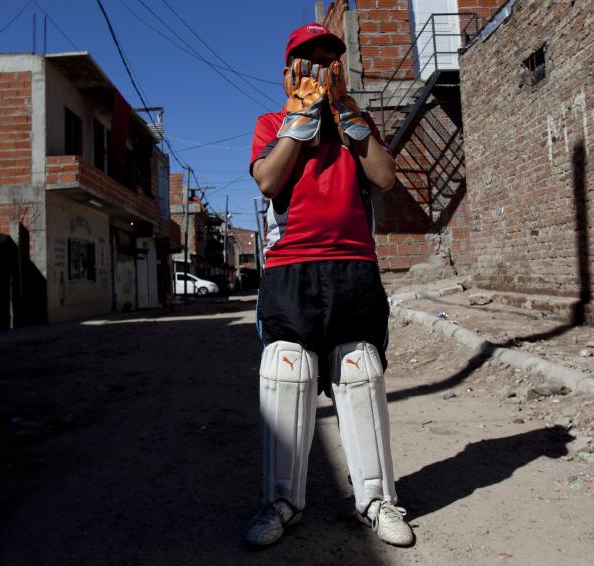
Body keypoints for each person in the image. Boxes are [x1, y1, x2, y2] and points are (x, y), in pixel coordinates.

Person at [246, 22, 414, 547]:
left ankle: (378, 500)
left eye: (330, 59)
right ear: (289, 71)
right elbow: (269, 180)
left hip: (353, 266)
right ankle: (282, 503)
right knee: (286, 370)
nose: (323, 68)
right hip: (291, 267)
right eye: (310, 59)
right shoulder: (271, 121)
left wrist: (348, 119)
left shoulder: (355, 122)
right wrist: (299, 121)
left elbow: (385, 178)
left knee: (360, 367)